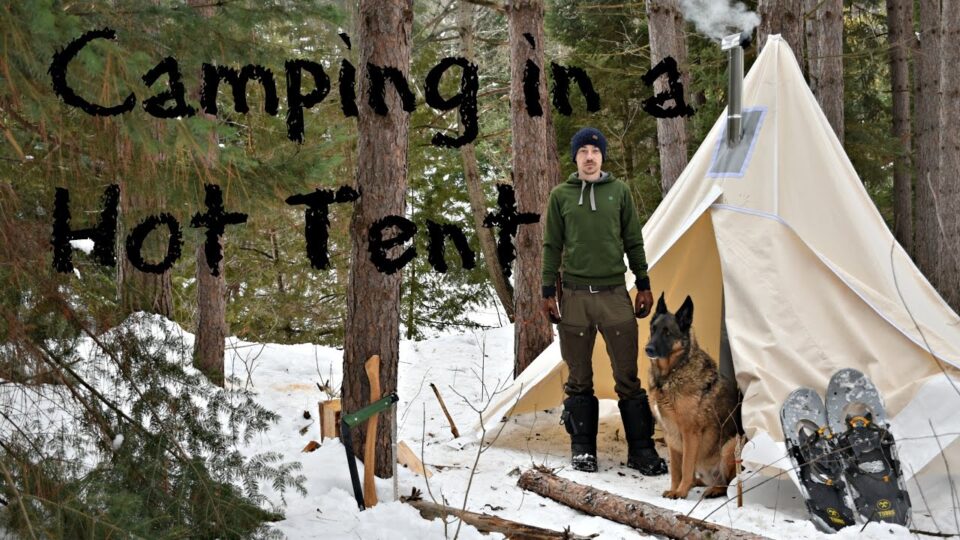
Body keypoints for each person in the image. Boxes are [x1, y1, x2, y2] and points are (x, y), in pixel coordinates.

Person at [540, 127, 667, 475]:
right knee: (578, 377)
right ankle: (583, 450)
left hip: (614, 295)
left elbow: (633, 240)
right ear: (576, 157)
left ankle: (640, 450)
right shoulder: (561, 196)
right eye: (583, 151)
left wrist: (643, 283)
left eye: (595, 151)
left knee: (627, 375)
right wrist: (547, 291)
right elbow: (552, 245)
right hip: (576, 297)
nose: (590, 157)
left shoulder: (619, 192)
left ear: (603, 157)